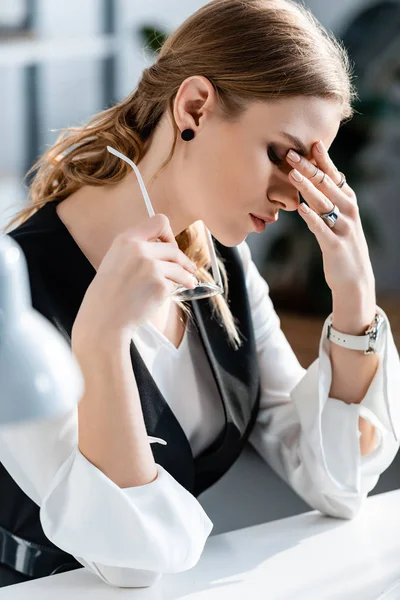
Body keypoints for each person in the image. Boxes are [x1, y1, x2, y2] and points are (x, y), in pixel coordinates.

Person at [1, 0, 399, 590]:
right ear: (194, 107)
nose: (295, 194)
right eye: (279, 153)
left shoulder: (224, 264)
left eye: (311, 164)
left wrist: (354, 295)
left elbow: (335, 481)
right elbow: (129, 560)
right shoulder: (15, 296)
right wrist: (102, 339)